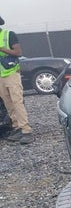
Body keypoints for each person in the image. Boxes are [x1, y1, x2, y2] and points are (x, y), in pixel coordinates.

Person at [0, 15, 34, 144]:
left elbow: (18, 52)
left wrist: (2, 49)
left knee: (17, 101)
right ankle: (17, 127)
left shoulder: (8, 34)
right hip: (0, 76)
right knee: (8, 102)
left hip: (11, 73)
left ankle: (26, 130)